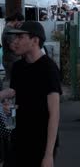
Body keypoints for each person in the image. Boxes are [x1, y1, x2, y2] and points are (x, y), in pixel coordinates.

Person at [6, 21, 61, 166]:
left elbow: (54, 114)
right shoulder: (18, 67)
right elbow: (14, 94)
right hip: (19, 138)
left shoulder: (49, 69)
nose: (15, 42)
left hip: (40, 143)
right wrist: (6, 105)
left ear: (35, 40)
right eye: (15, 38)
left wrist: (48, 155)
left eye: (20, 37)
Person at [1, 13, 24, 84]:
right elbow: (12, 47)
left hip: (9, 60)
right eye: (21, 22)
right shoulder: (9, 31)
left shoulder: (8, 29)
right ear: (16, 20)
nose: (21, 25)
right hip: (12, 61)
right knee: (13, 83)